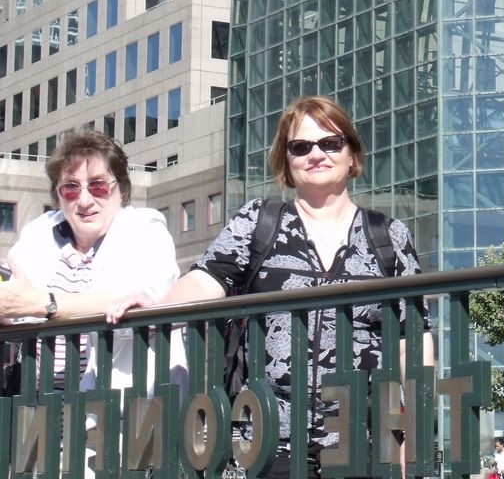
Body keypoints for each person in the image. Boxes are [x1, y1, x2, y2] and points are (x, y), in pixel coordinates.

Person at [108, 95, 435, 479]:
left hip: (359, 440)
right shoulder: (258, 222)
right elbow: (207, 278)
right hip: (263, 441)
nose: (316, 154)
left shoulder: (388, 235)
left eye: (330, 143)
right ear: (286, 161)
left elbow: (412, 342)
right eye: (300, 147)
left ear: (351, 155)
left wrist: (409, 439)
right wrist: (158, 306)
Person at [0, 128, 184, 472]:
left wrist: (45, 304)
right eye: (70, 187)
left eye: (98, 185)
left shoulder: (145, 227)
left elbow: (130, 297)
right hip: (43, 415)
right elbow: (15, 299)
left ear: (121, 189)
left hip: (122, 417)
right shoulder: (40, 232)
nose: (84, 200)